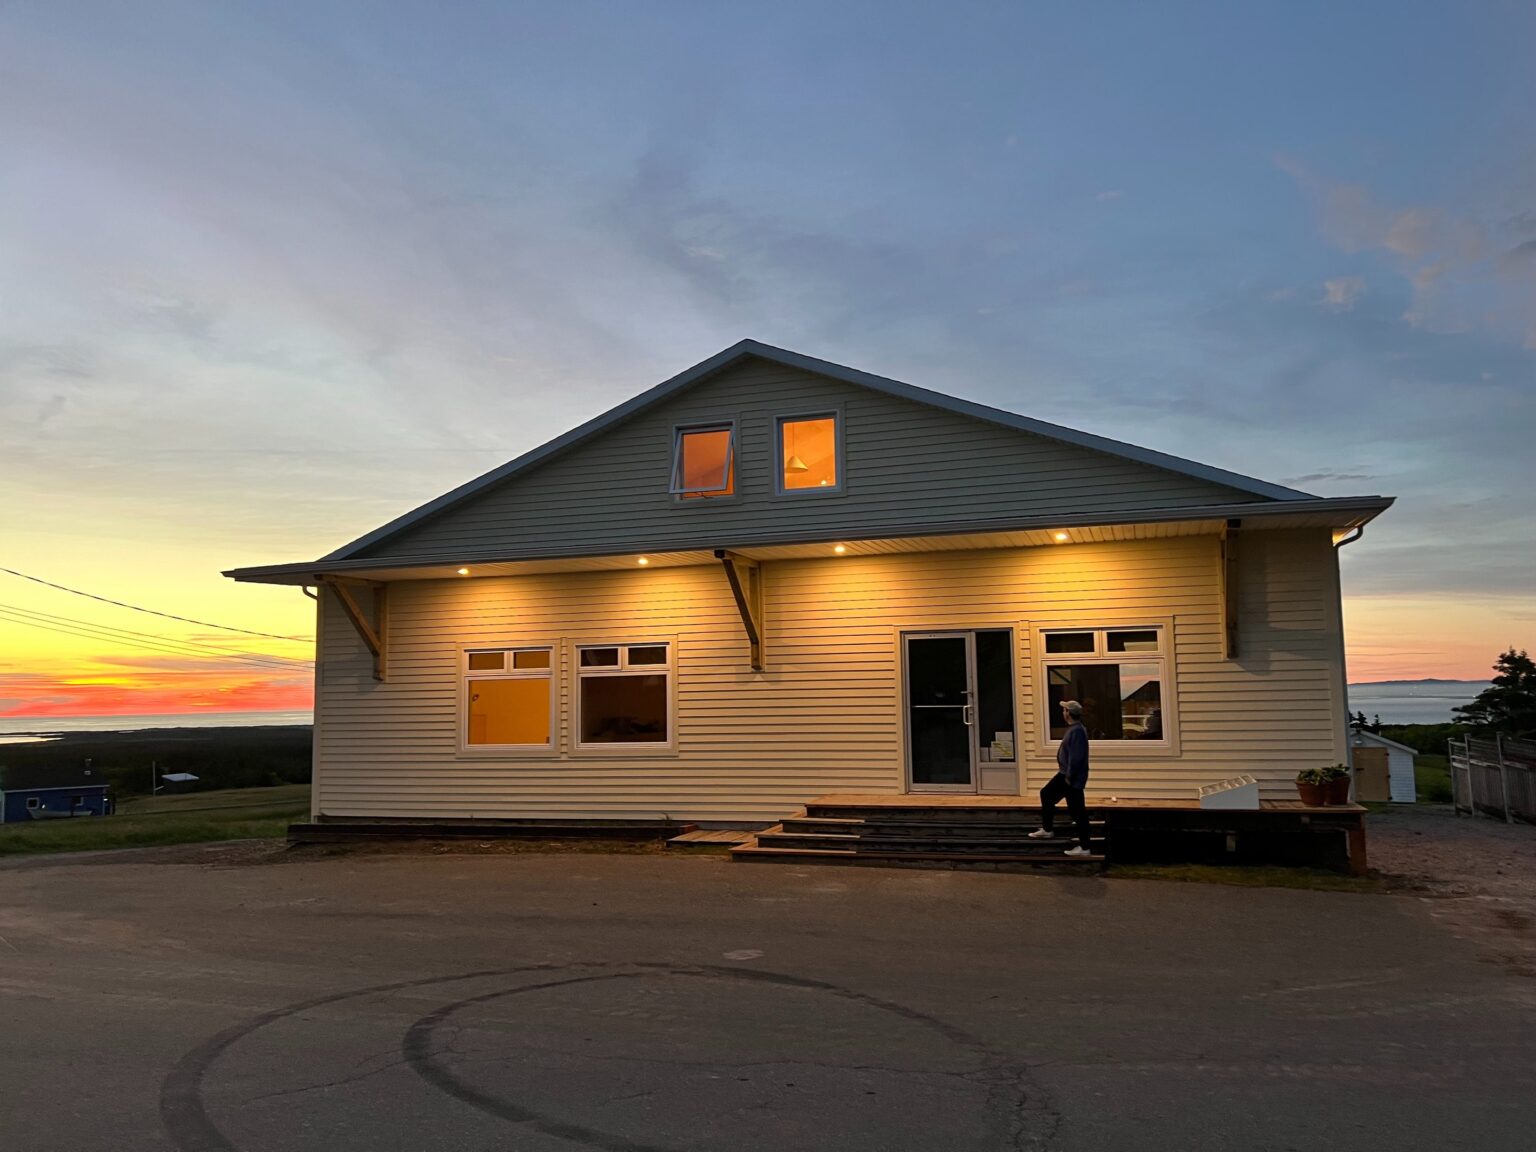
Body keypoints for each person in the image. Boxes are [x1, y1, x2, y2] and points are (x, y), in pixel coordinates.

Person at [1029, 699, 1093, 856]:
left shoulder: (1077, 731)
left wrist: (1069, 777)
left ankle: (1084, 848)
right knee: (1048, 795)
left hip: (1070, 777)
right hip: (1067, 774)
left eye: (1064, 710)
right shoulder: (1075, 729)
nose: (1062, 712)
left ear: (1069, 713)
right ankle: (1048, 829)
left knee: (1077, 811)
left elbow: (1076, 757)